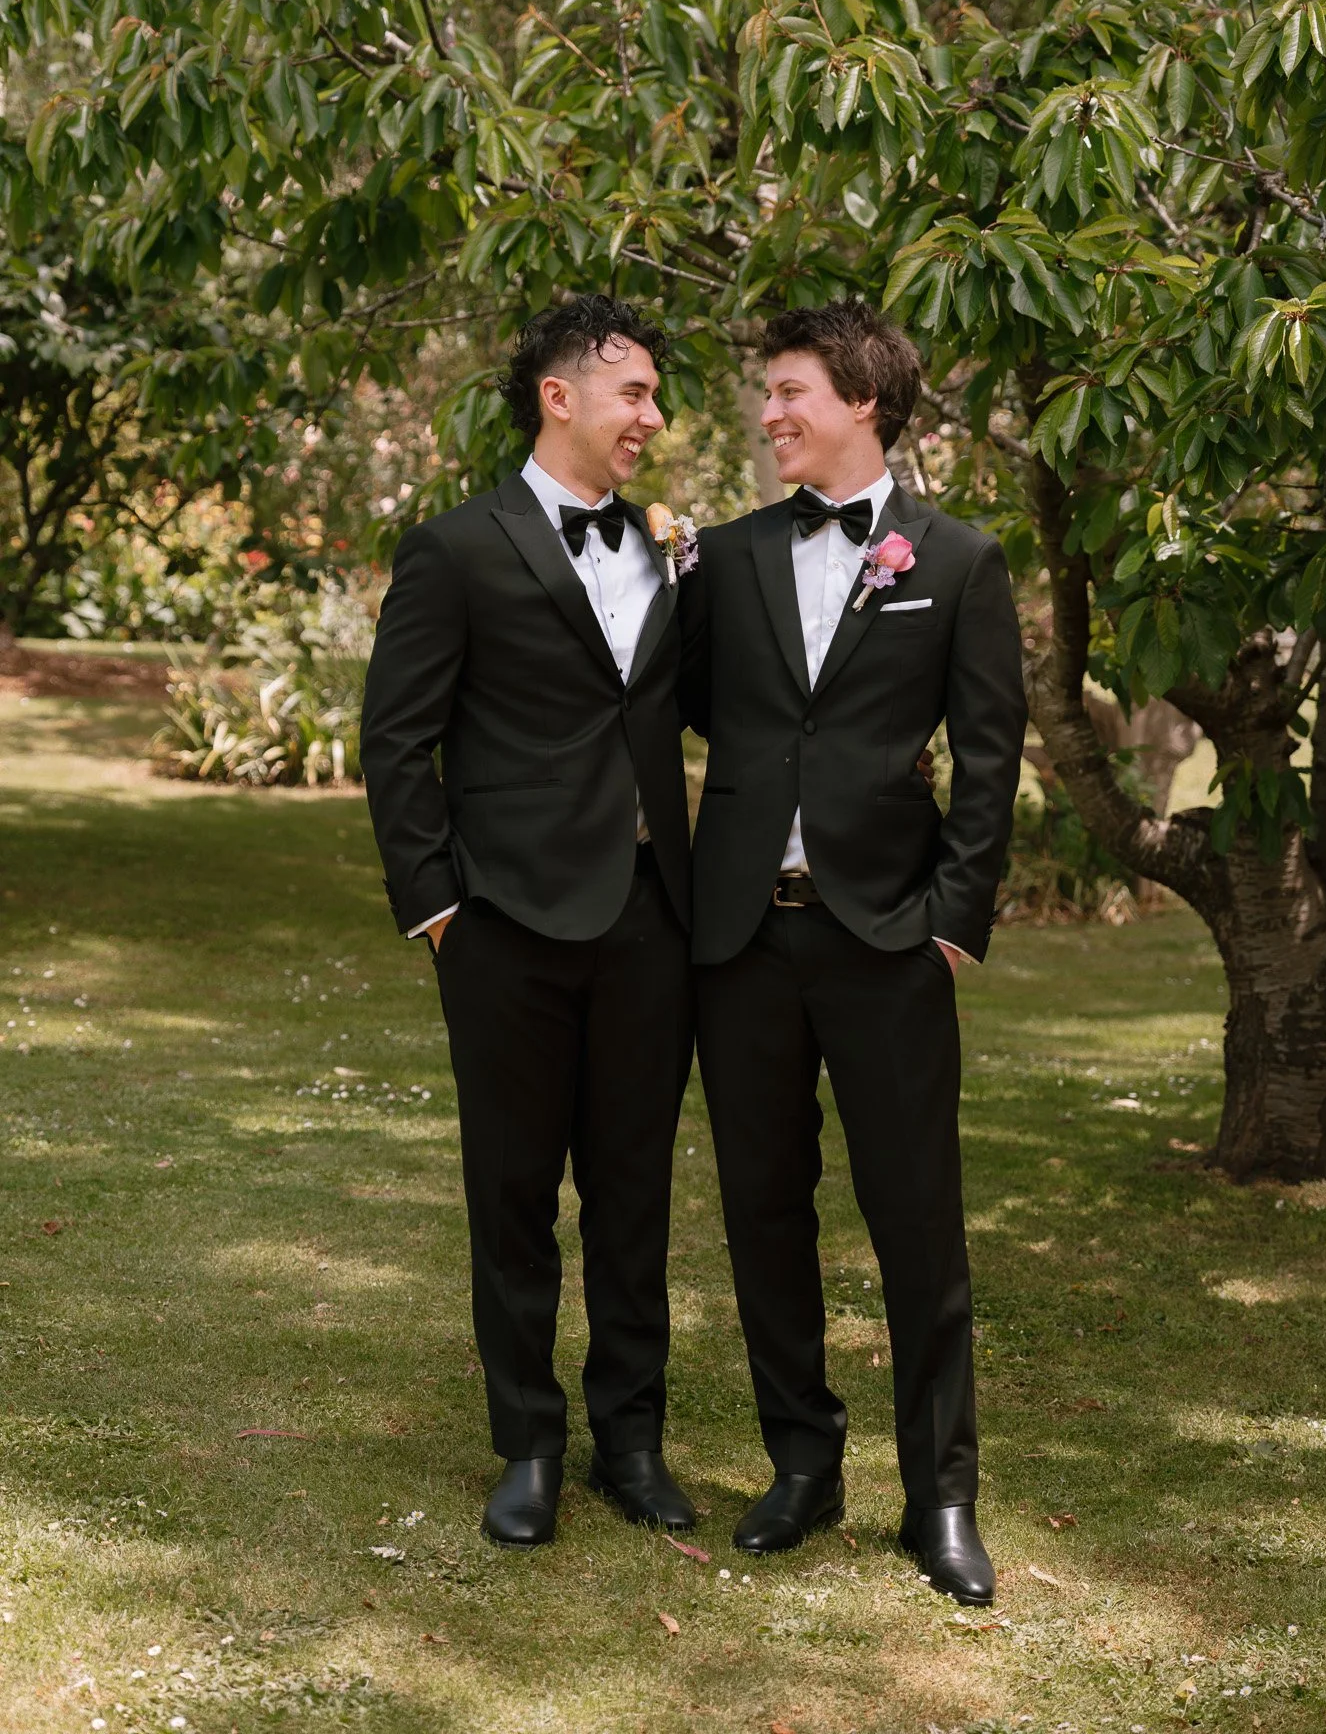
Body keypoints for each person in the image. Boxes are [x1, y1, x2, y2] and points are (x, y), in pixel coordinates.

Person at [680, 299, 1027, 1605]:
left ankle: (941, 1498)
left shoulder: (960, 558)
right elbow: (689, 711)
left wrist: (950, 923)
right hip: (741, 942)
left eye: (788, 392)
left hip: (888, 944)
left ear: (862, 400)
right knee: (763, 1211)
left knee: (917, 1226)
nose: (769, 413)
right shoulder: (724, 555)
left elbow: (988, 756)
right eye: (766, 394)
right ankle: (801, 1467)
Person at [359, 295, 696, 1548]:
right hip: (501, 922)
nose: (653, 419)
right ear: (560, 396)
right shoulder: (453, 549)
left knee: (634, 1191)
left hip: (652, 920)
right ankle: (530, 1443)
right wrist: (442, 908)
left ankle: (634, 1440)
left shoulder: (671, 548)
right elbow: (396, 742)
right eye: (637, 395)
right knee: (511, 1191)